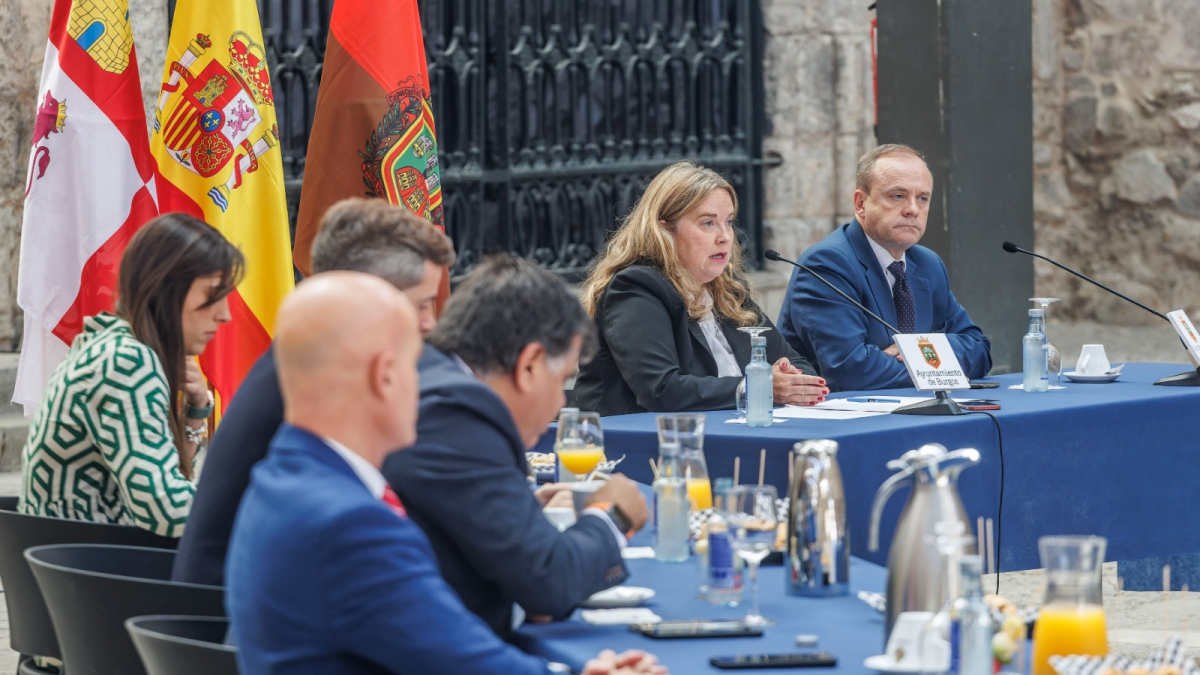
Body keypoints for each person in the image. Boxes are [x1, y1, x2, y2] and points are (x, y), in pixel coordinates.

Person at [227, 272, 666, 675]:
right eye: (414, 362)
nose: (428, 383)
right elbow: (466, 664)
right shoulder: (350, 525)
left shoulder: (279, 477)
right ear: (385, 376)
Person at [173, 197, 455, 585]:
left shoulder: (304, 354)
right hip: (229, 616)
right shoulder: (326, 373)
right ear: (374, 295)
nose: (429, 324)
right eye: (422, 305)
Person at [383, 255, 650, 640]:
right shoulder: (455, 419)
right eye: (561, 380)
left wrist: (519, 512)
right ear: (529, 365)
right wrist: (612, 516)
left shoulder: (434, 380)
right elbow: (548, 585)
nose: (561, 402)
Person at [19, 213, 243, 537]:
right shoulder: (125, 363)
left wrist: (196, 411)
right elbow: (169, 512)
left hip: (87, 564)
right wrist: (270, 510)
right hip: (95, 573)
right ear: (166, 289)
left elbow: (173, 484)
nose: (224, 314)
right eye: (213, 295)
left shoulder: (114, 345)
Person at [573, 161, 825, 416]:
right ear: (665, 230)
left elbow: (800, 366)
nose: (725, 236)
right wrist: (760, 385)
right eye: (708, 223)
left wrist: (789, 378)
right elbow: (662, 390)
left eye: (728, 222)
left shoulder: (728, 292)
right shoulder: (636, 288)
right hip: (633, 443)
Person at [775, 144, 992, 391]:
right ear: (860, 203)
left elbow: (980, 350)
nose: (913, 209)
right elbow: (849, 370)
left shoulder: (928, 264)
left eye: (922, 198)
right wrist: (936, 366)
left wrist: (915, 350)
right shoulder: (827, 264)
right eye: (897, 196)